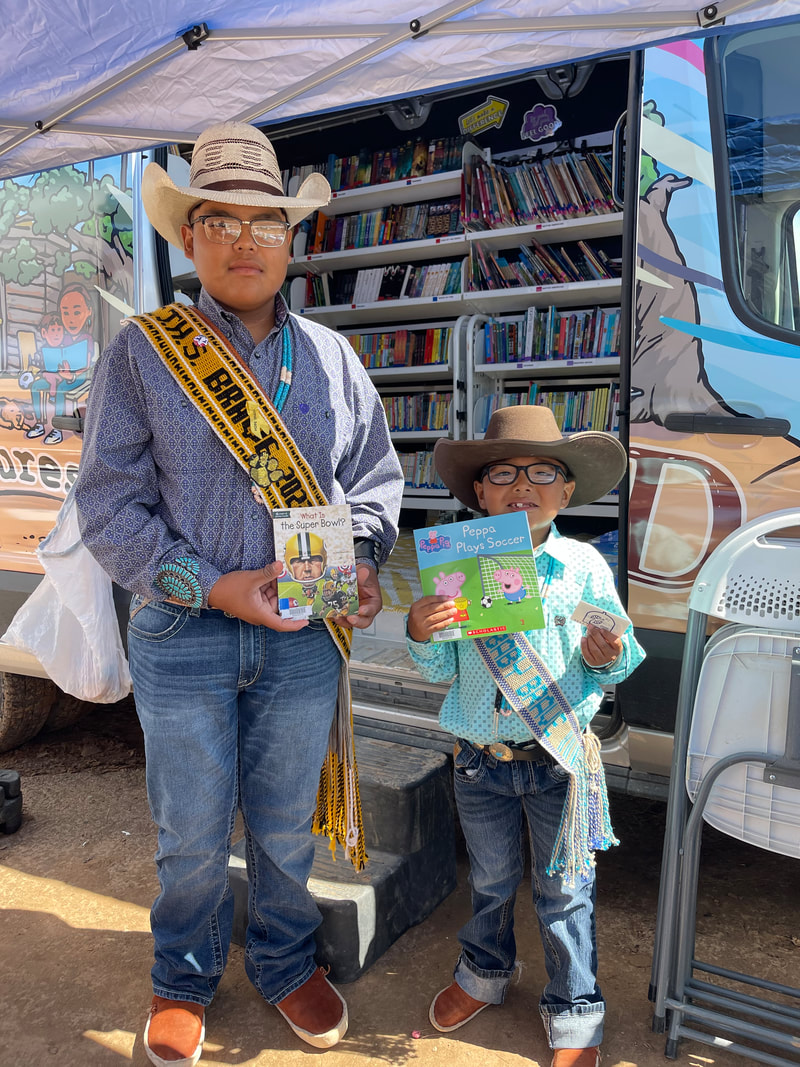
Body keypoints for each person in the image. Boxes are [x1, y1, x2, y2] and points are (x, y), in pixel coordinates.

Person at [74, 122, 403, 1067]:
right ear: (191, 239)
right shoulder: (142, 354)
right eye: (224, 221)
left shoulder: (335, 361)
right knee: (188, 829)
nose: (248, 239)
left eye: (269, 220)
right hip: (182, 634)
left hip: (306, 640)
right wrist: (219, 588)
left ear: (293, 240)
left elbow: (374, 480)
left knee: (285, 821)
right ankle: (181, 975)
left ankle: (284, 957)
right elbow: (108, 509)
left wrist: (368, 562)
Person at [405, 405, 645, 1067]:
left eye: (543, 471)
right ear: (480, 491)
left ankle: (574, 1005)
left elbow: (623, 659)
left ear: (566, 491)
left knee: (565, 889)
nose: (523, 484)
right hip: (479, 762)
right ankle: (484, 971)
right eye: (503, 471)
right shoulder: (454, 565)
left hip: (560, 759)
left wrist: (603, 653)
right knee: (488, 879)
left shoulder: (585, 567)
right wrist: (421, 631)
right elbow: (439, 668)